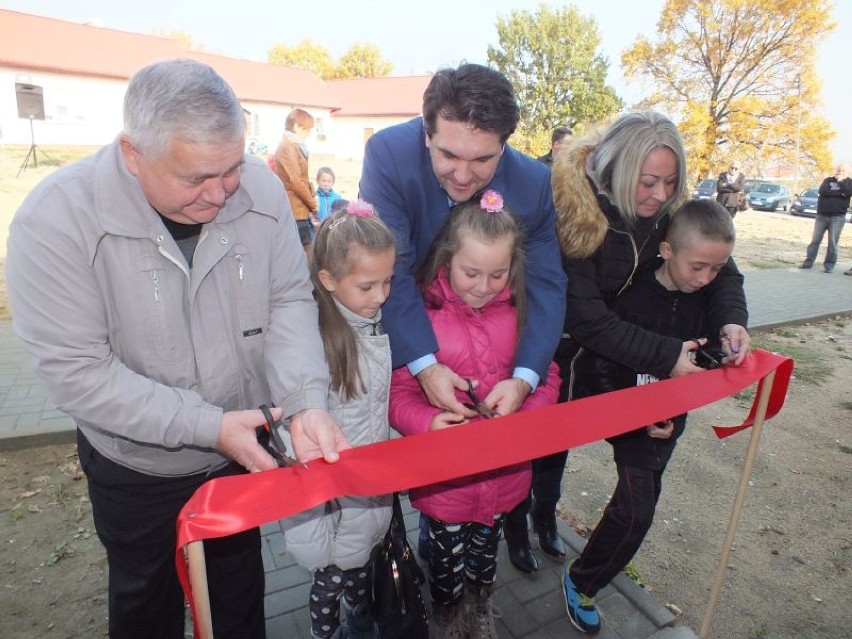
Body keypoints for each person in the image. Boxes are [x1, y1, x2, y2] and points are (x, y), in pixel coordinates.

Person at [5, 59, 347, 639]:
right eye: (195, 179)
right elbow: (78, 374)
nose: (220, 195)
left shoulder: (260, 191)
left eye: (231, 168)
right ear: (133, 154)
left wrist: (306, 400)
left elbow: (289, 301)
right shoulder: (54, 221)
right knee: (145, 598)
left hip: (239, 454)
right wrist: (208, 425)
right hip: (136, 464)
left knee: (237, 586)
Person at [360, 63, 567, 575]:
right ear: (425, 131)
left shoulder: (534, 182)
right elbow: (395, 270)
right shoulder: (388, 154)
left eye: (482, 160)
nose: (463, 174)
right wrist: (425, 366)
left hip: (485, 335)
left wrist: (524, 377)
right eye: (448, 153)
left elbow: (545, 285)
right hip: (399, 322)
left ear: (507, 146)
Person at [550, 111, 750, 632]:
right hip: (580, 368)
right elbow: (587, 318)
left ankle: (584, 578)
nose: (661, 195)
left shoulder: (674, 218)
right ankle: (533, 528)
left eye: (671, 182)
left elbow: (722, 269)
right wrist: (659, 367)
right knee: (542, 459)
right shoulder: (574, 215)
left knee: (639, 506)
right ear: (617, 170)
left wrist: (731, 322)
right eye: (648, 182)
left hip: (656, 391)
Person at [388, 192, 561, 639]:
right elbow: (398, 393)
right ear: (447, 259)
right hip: (446, 483)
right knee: (447, 561)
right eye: (471, 272)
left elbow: (548, 373)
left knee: (486, 551)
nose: (484, 286)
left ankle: (479, 608)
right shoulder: (422, 321)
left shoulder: (523, 314)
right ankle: (447, 616)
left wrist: (524, 410)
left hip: (505, 477)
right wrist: (425, 423)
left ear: (513, 268)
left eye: (497, 274)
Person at [280, 201, 396, 639]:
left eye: (387, 281)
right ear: (328, 280)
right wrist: (319, 527)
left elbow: (375, 408)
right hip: (329, 510)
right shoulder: (313, 344)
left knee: (360, 573)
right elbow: (295, 435)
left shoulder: (372, 326)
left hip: (367, 496)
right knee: (330, 580)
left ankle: (360, 620)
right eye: (367, 286)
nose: (381, 296)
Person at [273, 108, 319, 257]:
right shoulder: (287, 147)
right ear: (297, 127)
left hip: (300, 208)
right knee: (306, 254)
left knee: (307, 250)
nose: (309, 133)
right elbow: (297, 182)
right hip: (295, 210)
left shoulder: (295, 146)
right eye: (307, 129)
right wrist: (313, 204)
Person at [798, 165, 852, 274]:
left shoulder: (849, 182)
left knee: (832, 243)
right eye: (838, 170)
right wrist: (840, 194)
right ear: (835, 170)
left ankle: (829, 266)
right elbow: (822, 191)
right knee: (815, 241)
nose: (840, 172)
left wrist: (841, 183)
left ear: (847, 172)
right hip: (822, 215)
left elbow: (849, 192)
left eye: (843, 171)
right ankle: (808, 262)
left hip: (838, 217)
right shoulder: (828, 180)